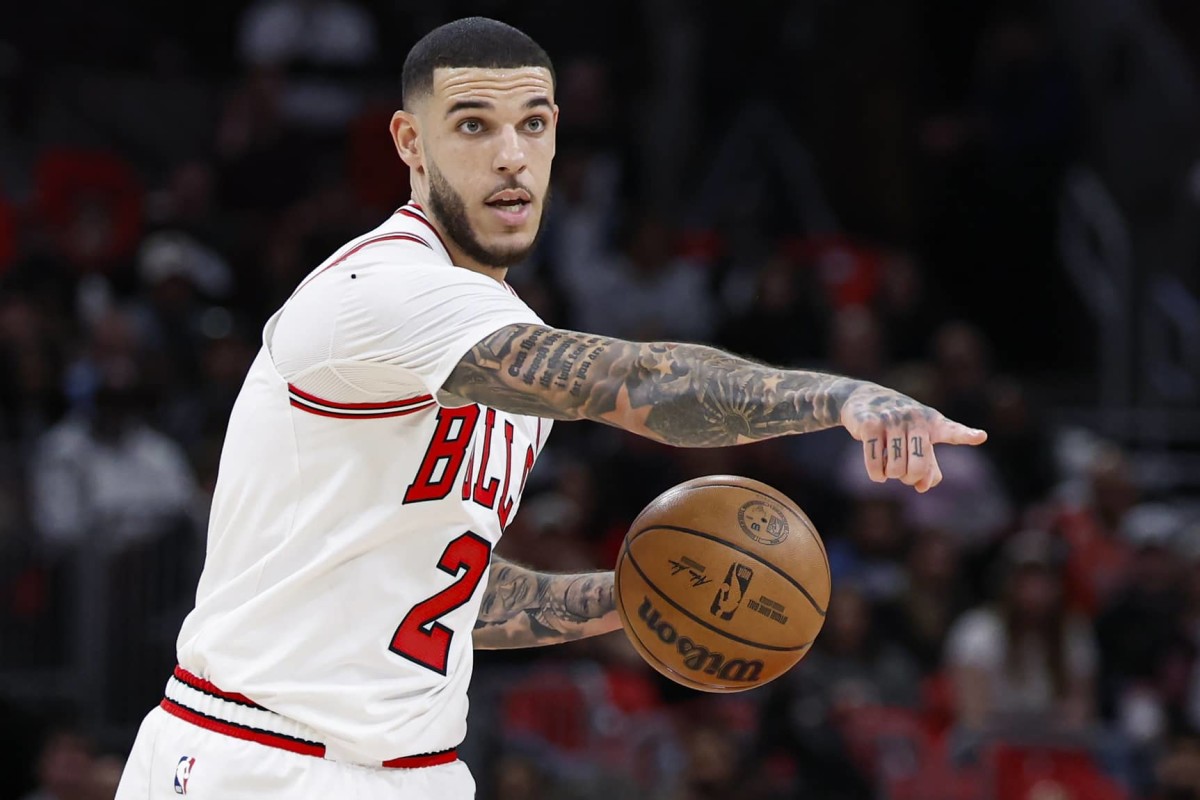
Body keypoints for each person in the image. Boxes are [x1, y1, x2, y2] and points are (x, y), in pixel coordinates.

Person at [114, 16, 988, 800]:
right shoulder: (379, 291)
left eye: (532, 125)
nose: (509, 156)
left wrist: (631, 598)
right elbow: (642, 387)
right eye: (473, 126)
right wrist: (842, 395)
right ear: (409, 142)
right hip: (256, 758)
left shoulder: (506, 339)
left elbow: (435, 592)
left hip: (415, 770)